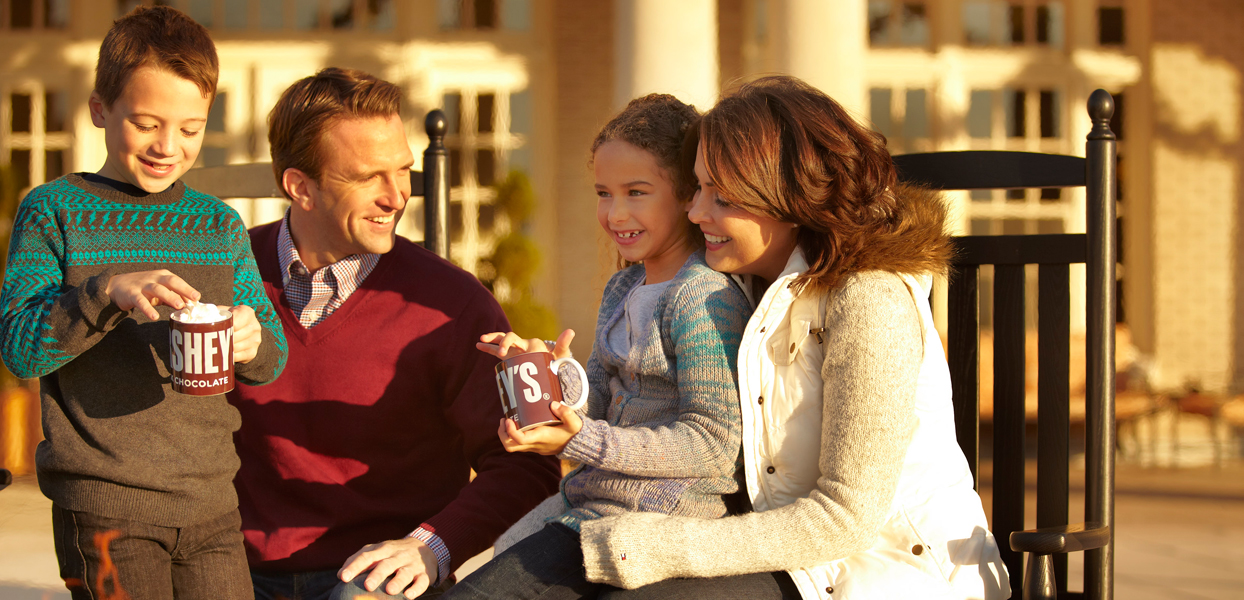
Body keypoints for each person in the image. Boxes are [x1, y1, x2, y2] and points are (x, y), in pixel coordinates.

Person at [568, 76, 1012, 600]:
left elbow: (845, 517)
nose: (695, 212)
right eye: (697, 188)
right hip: (787, 557)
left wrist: (661, 546)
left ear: (790, 198)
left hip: (885, 573)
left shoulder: (869, 301)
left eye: (722, 197)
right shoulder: (746, 287)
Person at [226, 67, 560, 600]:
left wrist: (433, 546)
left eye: (403, 170)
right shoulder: (223, 275)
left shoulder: (450, 304)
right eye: (367, 177)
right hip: (230, 570)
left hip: (377, 579)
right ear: (301, 187)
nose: (397, 196)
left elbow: (527, 466)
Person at [0, 6, 287, 599]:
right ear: (100, 110)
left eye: (190, 128)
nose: (167, 147)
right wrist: (103, 293)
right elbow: (20, 350)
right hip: (105, 507)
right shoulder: (53, 211)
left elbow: (273, 354)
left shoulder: (217, 224)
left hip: (212, 507)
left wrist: (252, 339)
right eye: (147, 123)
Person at [441, 94, 754, 600]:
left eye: (636, 192)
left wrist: (580, 441)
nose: (615, 213)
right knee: (502, 553)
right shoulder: (622, 288)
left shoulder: (703, 297)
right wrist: (550, 379)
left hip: (664, 515)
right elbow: (602, 410)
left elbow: (714, 444)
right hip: (594, 502)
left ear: (685, 195)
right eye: (604, 193)